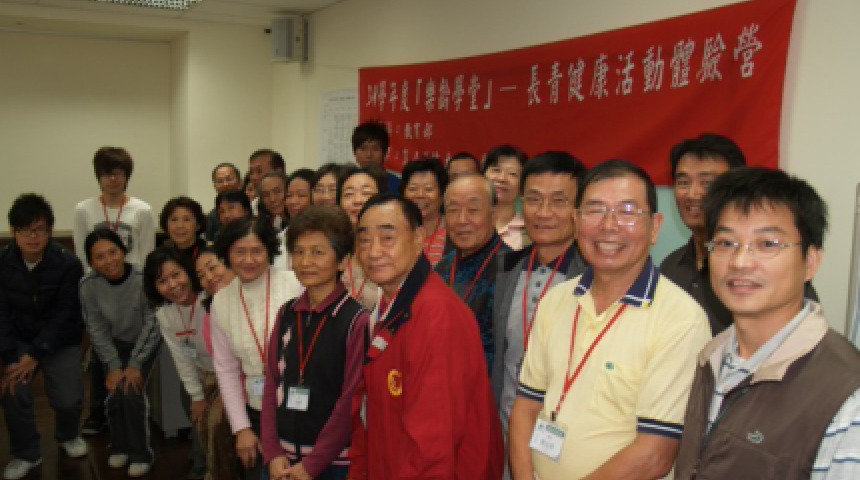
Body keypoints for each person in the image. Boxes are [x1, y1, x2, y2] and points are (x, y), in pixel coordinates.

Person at [509, 159, 711, 480]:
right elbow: (526, 407)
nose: (609, 225)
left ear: (655, 226)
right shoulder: (556, 301)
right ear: (577, 221)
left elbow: (655, 453)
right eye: (595, 210)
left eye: (627, 211)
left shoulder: (681, 319)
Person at [674, 167, 860, 479]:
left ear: (810, 261)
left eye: (768, 244)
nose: (740, 262)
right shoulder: (712, 357)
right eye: (726, 243)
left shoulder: (846, 393)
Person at [348, 193, 504, 480]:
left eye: (387, 238)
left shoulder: (436, 313)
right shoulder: (390, 304)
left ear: (418, 238)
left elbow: (433, 441)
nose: (373, 252)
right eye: (364, 240)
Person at [261, 206, 369, 480]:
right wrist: (272, 451)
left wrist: (313, 464)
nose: (306, 261)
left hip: (334, 462)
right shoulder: (287, 313)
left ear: (343, 260)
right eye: (298, 252)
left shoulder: (357, 320)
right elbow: (271, 382)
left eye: (318, 252)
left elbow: (350, 400)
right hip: (282, 459)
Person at [492, 151, 589, 437]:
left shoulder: (594, 278)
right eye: (533, 199)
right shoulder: (506, 267)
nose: (544, 212)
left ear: (579, 209)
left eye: (559, 201)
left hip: (567, 436)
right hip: (505, 428)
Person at [0, 194, 88, 480]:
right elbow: (1, 314)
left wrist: (36, 354)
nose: (33, 237)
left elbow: (65, 315)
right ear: (13, 231)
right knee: (14, 391)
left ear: (50, 230)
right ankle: (26, 453)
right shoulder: (2, 263)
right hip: (20, 339)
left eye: (39, 229)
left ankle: (67, 435)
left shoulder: (68, 263)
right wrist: (10, 357)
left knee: (69, 399)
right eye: (25, 230)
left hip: (60, 340)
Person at [210, 217, 302, 480]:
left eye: (257, 251)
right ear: (227, 254)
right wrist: (241, 428)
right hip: (257, 409)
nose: (248, 260)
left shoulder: (295, 284)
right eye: (239, 251)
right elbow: (226, 370)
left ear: (270, 251)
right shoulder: (222, 301)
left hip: (300, 407)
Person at [73, 146, 156, 436]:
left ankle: (134, 411)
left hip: (134, 288)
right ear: (98, 176)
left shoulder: (142, 210)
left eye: (118, 173)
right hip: (100, 288)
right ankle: (99, 412)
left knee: (135, 350)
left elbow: (147, 253)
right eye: (106, 174)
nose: (112, 179)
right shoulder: (84, 210)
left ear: (126, 176)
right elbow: (83, 254)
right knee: (102, 349)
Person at [79, 228, 161, 477]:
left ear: (123, 251)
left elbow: (152, 322)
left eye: (113, 252)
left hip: (144, 342)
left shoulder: (142, 278)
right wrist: (114, 365)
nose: (108, 260)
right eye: (99, 256)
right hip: (113, 345)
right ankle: (119, 446)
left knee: (131, 391)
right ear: (91, 262)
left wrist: (135, 363)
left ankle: (141, 453)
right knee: (114, 390)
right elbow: (96, 328)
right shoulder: (88, 285)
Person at [660, 133, 747, 333]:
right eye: (683, 182)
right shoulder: (670, 267)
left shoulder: (753, 267)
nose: (692, 194)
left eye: (707, 183)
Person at [143, 248, 215, 479]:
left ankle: (206, 463)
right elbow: (181, 358)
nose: (173, 285)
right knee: (192, 405)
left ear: (188, 271)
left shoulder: (210, 299)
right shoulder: (165, 314)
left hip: (227, 374)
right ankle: (201, 458)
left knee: (216, 420)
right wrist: (197, 396)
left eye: (176, 274)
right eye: (162, 281)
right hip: (199, 372)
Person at [435, 174, 509, 370]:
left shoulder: (512, 269)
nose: (462, 220)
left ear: (494, 214)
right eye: (453, 210)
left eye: (473, 210)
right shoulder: (440, 269)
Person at [194, 246, 242, 480]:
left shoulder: (256, 296)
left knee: (219, 420)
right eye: (201, 275)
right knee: (211, 420)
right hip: (235, 383)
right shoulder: (210, 314)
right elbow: (225, 366)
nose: (209, 277)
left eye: (213, 268)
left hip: (267, 382)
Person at [337, 165, 387, 309]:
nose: (358, 200)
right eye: (349, 194)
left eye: (366, 193)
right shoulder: (334, 247)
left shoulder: (392, 249)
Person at [401, 157, 449, 265]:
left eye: (428, 189)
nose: (420, 195)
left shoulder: (454, 230)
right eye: (413, 189)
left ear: (442, 196)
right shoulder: (395, 230)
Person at [483, 144, 528, 250]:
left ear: (523, 187)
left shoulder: (529, 234)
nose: (502, 178)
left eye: (512, 174)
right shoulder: (465, 222)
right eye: (496, 170)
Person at [351, 120, 400, 192]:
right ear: (354, 151)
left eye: (375, 149)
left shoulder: (397, 184)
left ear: (385, 152)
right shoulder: (348, 182)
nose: (369, 155)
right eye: (363, 148)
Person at [160, 196, 208, 263]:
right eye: (174, 220)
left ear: (198, 225)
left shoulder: (209, 255)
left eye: (186, 220)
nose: (180, 226)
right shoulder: (160, 257)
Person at [206, 163, 243, 241]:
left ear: (240, 181)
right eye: (220, 181)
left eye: (229, 179)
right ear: (214, 186)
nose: (225, 184)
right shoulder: (213, 217)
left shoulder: (255, 206)